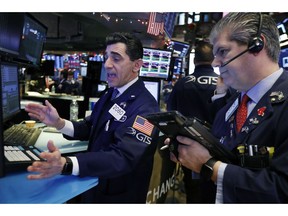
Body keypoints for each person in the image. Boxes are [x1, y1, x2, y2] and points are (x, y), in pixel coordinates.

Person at [25, 32, 160, 203]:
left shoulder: (147, 109)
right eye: (106, 57)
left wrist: (67, 164)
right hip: (94, 186)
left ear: (136, 65)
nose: (107, 65)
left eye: (116, 59)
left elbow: (123, 158)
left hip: (118, 198)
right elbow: (90, 127)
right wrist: (59, 123)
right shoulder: (111, 93)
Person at [168, 12, 288, 203]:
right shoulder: (231, 103)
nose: (215, 63)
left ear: (257, 45)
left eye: (223, 51)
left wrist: (209, 167)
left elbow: (282, 189)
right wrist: (191, 150)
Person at [166, 41, 219, 203]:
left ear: (195, 60)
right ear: (214, 59)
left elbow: (170, 114)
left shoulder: (181, 84)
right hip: (218, 152)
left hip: (188, 149)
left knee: (193, 193)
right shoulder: (224, 83)